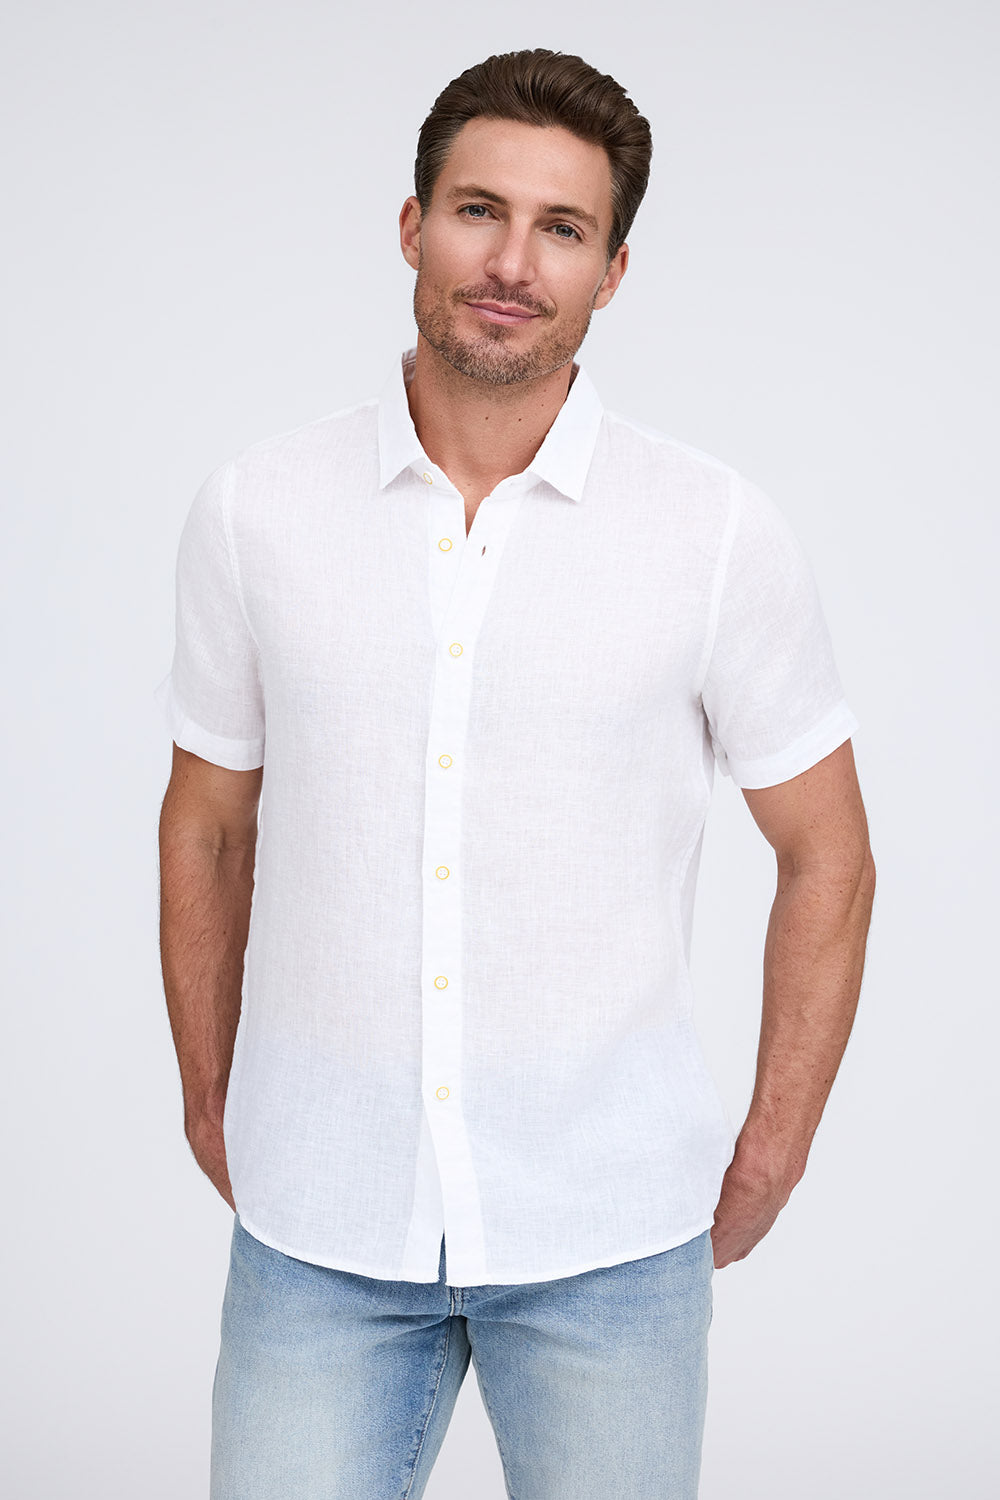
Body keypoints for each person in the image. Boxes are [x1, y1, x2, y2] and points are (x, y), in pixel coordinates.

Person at [155, 47, 876, 1500]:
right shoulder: (256, 512)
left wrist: (774, 1147)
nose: (511, 263)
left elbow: (830, 855)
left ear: (613, 271)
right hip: (320, 1226)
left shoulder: (713, 533)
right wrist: (211, 1092)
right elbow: (209, 824)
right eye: (479, 210)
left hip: (612, 1232)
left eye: (563, 228)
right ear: (411, 224)